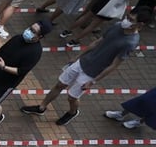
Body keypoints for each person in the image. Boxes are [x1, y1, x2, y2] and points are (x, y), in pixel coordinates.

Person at [21, 7, 149, 126]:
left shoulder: (130, 43)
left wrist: (93, 81)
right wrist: (77, 56)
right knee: (59, 84)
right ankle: (41, 107)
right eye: (127, 16)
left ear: (140, 24)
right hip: (82, 61)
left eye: (131, 20)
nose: (126, 20)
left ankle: (72, 112)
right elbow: (98, 42)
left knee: (72, 97)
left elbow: (114, 65)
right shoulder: (116, 26)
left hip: (91, 73)